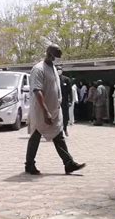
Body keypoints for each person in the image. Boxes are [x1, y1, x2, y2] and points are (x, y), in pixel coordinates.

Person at [25, 44, 86, 175]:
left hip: (54, 110)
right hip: (41, 110)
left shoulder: (52, 68)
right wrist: (45, 111)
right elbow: (37, 91)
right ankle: (29, 165)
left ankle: (69, 163)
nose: (55, 60)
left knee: (59, 136)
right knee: (36, 135)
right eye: (54, 57)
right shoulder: (38, 69)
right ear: (48, 54)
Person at [57, 66, 72, 136]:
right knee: (55, 116)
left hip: (64, 101)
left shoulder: (66, 79)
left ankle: (65, 129)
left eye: (59, 70)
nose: (58, 71)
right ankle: (56, 131)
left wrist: (70, 101)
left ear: (62, 71)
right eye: (57, 69)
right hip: (55, 101)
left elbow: (70, 91)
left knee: (65, 116)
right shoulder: (53, 79)